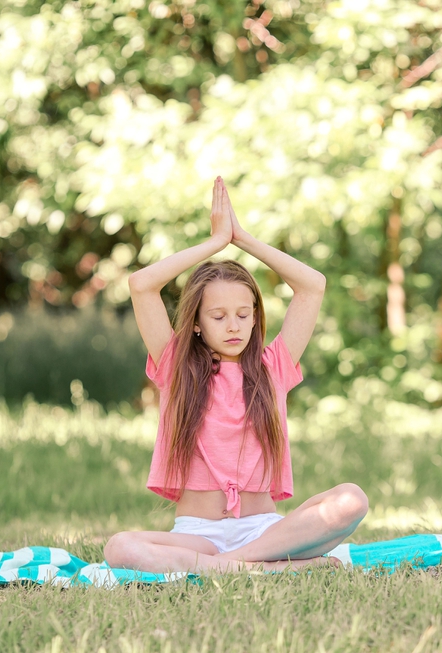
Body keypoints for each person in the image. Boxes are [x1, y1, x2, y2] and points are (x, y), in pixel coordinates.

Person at [104, 177, 368, 574]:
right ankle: (268, 569)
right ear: (195, 322)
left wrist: (241, 238)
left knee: (352, 499)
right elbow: (142, 285)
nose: (234, 326)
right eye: (218, 316)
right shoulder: (176, 366)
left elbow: (313, 286)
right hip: (198, 534)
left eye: (244, 315)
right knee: (119, 547)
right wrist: (214, 243)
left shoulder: (272, 366)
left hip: (264, 531)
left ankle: (228, 565)